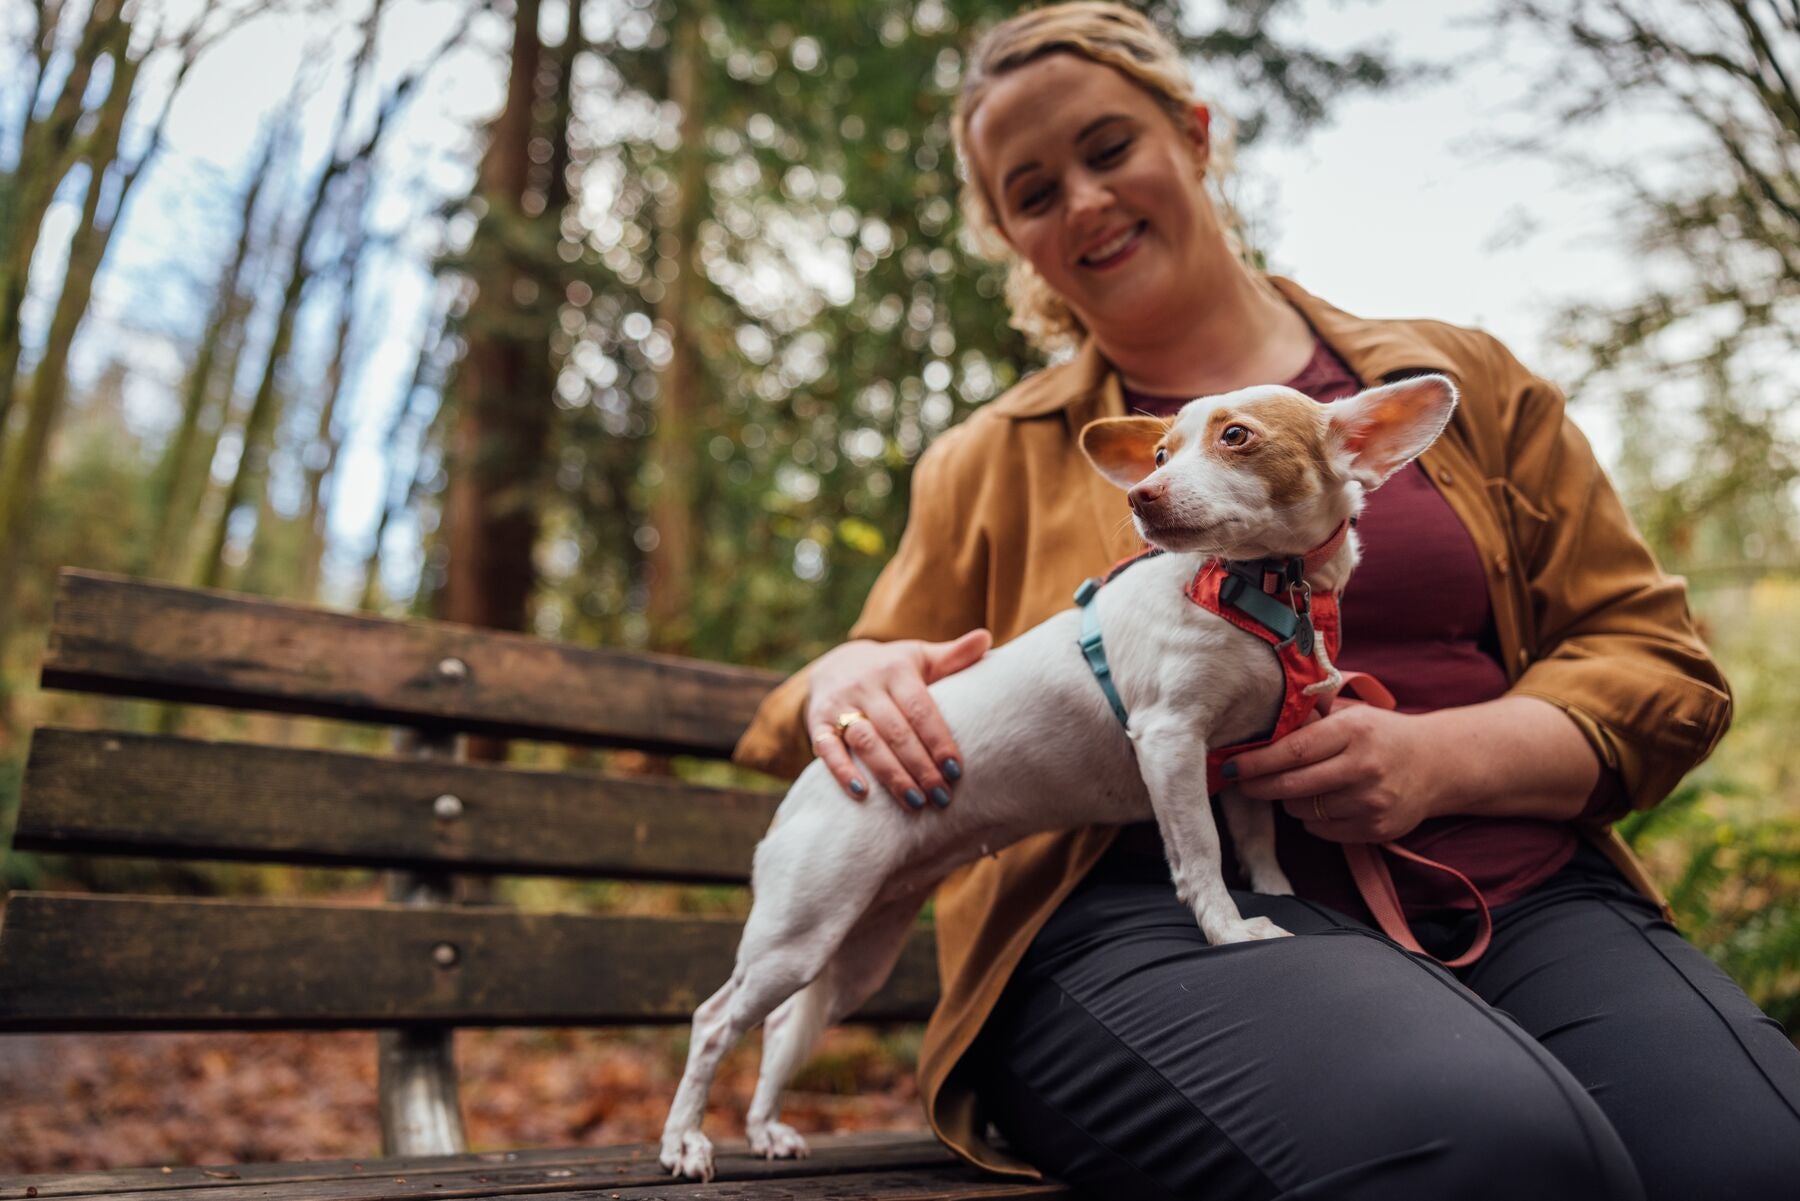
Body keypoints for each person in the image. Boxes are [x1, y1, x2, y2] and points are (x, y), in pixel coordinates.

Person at [731, 5, 1800, 1198]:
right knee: (1488, 1148)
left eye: (1106, 149)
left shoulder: (1455, 384)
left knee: (1751, 1159)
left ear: (1194, 135)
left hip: (1510, 887)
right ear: (1012, 240)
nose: (1081, 200)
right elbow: (838, 689)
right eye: (1031, 192)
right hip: (1140, 921)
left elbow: (1655, 659)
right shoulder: (989, 459)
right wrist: (846, 677)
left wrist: (1440, 761)